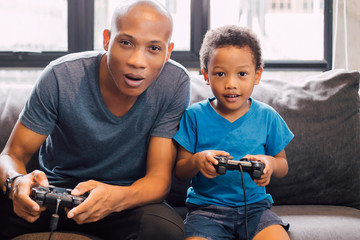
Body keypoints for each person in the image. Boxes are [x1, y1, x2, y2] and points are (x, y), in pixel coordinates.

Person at [0, 0, 189, 239]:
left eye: (154, 48)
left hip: (123, 201)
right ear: (107, 40)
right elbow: (12, 154)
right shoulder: (61, 76)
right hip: (54, 194)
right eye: (126, 43)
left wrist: (116, 199)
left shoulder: (174, 83)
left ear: (168, 52)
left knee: (166, 229)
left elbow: (158, 180)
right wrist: (16, 182)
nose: (137, 62)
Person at [173, 25, 294, 240]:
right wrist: (198, 161)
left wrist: (270, 164)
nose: (231, 84)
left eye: (242, 74)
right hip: (206, 211)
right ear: (205, 75)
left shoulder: (268, 116)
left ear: (257, 75)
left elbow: (283, 165)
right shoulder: (194, 116)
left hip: (256, 210)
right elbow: (180, 170)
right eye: (220, 74)